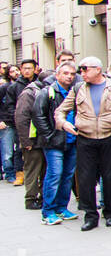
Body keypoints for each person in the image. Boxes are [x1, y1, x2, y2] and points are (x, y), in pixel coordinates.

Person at [54, 57, 111, 231]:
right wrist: (64, 124)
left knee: (110, 177)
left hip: (109, 137)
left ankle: (110, 213)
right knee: (85, 179)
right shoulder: (79, 88)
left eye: (85, 69)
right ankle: (90, 215)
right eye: (81, 70)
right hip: (85, 138)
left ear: (97, 69)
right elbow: (61, 111)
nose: (81, 73)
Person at [33, 62, 79, 225]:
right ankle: (48, 211)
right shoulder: (47, 92)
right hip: (54, 142)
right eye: (66, 73)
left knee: (67, 176)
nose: (69, 76)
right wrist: (50, 135)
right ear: (57, 74)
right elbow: (38, 116)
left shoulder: (75, 91)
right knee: (54, 175)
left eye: (72, 74)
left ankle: (61, 208)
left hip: (72, 141)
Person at [1, 58, 39, 185]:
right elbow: (9, 106)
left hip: (39, 122)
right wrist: (16, 118)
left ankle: (37, 175)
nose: (27, 71)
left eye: (30, 68)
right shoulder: (14, 87)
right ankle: (19, 173)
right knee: (19, 148)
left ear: (35, 69)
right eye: (25, 68)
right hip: (21, 123)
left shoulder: (40, 83)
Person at [14, 72, 45, 210]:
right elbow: (21, 118)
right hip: (32, 141)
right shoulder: (28, 94)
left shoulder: (41, 91)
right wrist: (26, 142)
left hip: (43, 140)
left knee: (44, 170)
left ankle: (41, 197)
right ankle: (30, 199)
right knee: (32, 170)